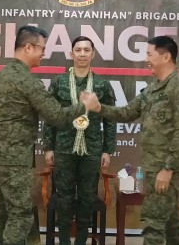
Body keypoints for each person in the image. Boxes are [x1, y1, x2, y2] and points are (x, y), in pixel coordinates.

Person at [0, 26, 99, 245]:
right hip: (14, 158)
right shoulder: (27, 81)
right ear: (28, 47)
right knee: (20, 215)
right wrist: (84, 105)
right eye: (41, 49)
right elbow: (56, 116)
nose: (43, 54)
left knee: (2, 213)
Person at [92, 36, 179, 245]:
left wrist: (168, 169)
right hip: (152, 166)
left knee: (153, 222)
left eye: (149, 54)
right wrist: (98, 108)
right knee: (170, 223)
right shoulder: (152, 90)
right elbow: (127, 112)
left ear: (165, 56)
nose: (146, 59)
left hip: (167, 169)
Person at [42, 36, 116, 245]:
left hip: (91, 149)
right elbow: (50, 117)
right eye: (78, 50)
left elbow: (110, 119)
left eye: (86, 50)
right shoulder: (59, 83)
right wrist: (48, 148)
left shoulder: (102, 85)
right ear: (71, 54)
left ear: (93, 54)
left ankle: (82, 241)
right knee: (64, 199)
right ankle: (64, 241)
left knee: (86, 199)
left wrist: (107, 150)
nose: (82, 54)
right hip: (64, 147)